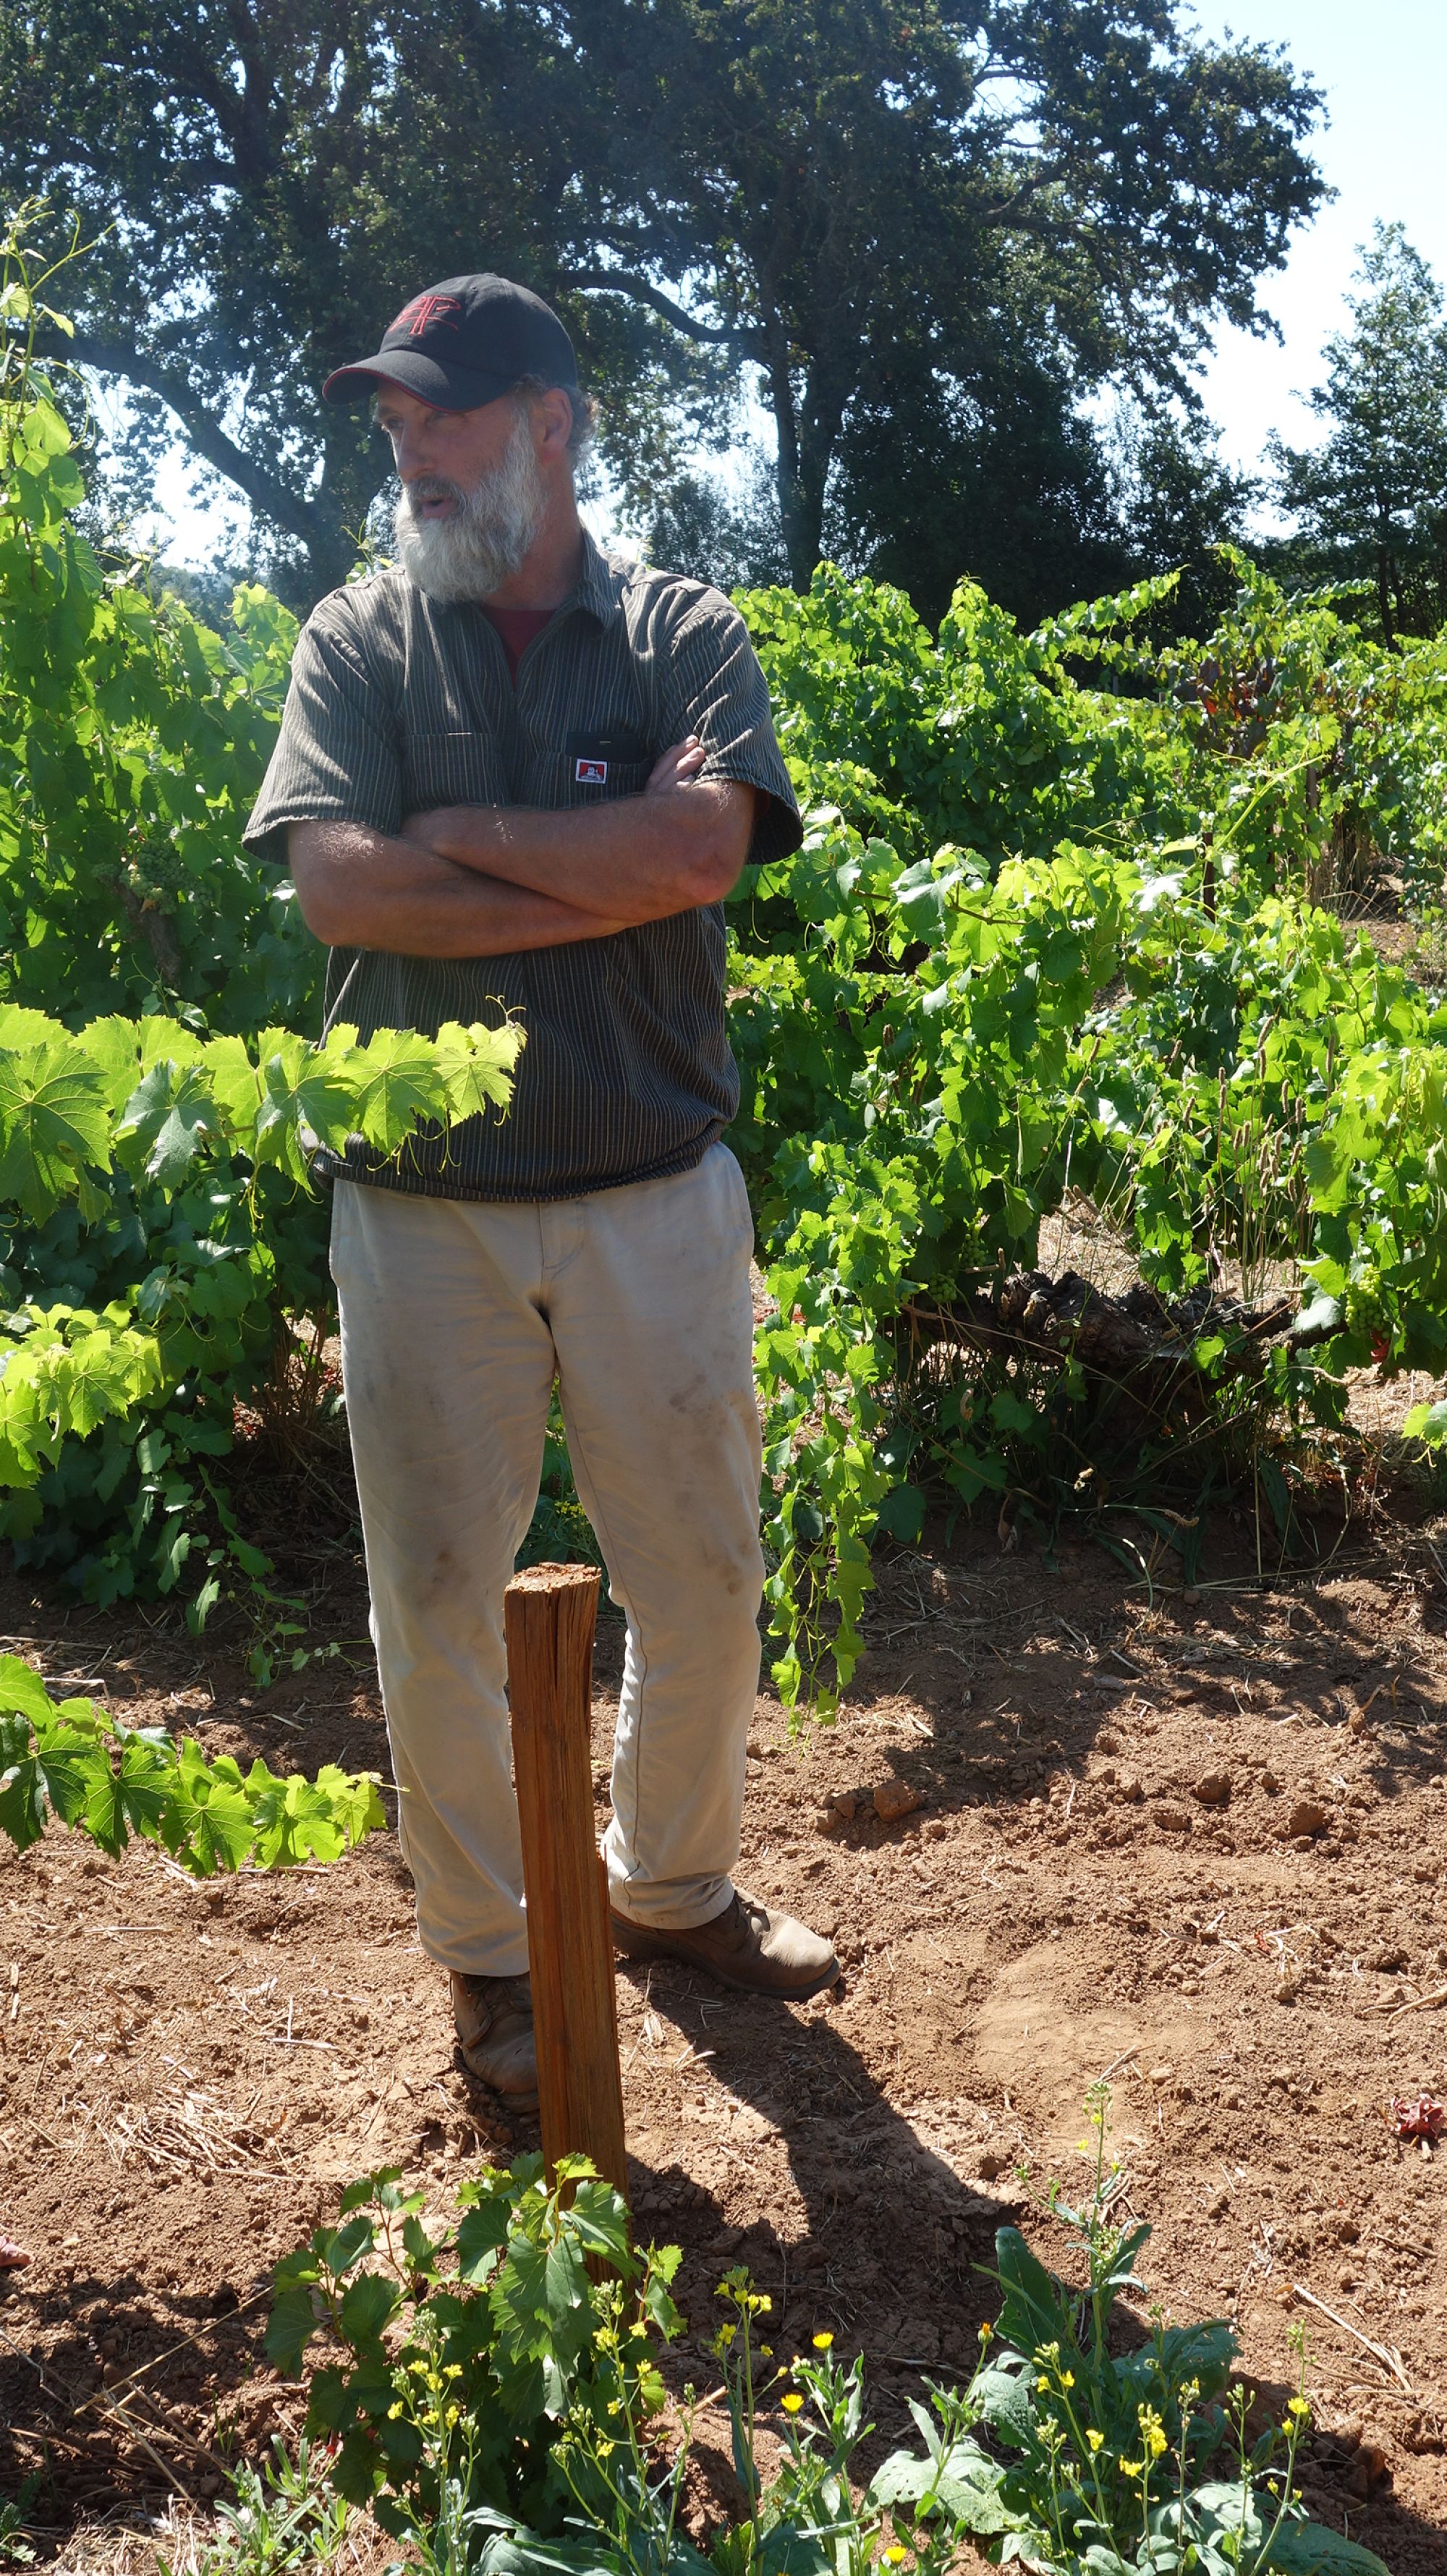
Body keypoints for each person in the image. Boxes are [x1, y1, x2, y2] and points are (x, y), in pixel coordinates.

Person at [245, 272, 838, 2109]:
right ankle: (491, 1961)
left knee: (705, 1577)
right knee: (433, 1596)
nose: (408, 447)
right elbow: (341, 890)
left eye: (444, 412)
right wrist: (602, 865)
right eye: (395, 418)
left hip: (653, 1190)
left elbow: (701, 849)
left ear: (553, 424)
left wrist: (466, 839)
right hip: (420, 1212)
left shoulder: (679, 629)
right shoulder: (358, 641)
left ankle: (672, 1889)